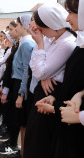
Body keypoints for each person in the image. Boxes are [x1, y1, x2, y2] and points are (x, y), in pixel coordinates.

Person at [35, 1, 84, 157]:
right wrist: (55, 97)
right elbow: (74, 83)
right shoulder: (80, 45)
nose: (67, 19)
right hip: (68, 123)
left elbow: (42, 71)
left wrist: (78, 115)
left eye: (70, 12)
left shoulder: (69, 42)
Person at [0, 14, 36, 156]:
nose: (15, 28)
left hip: (20, 84)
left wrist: (21, 93)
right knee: (18, 120)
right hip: (16, 83)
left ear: (24, 26)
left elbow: (26, 69)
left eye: (18, 25)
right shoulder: (23, 43)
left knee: (21, 121)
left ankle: (21, 151)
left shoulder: (27, 44)